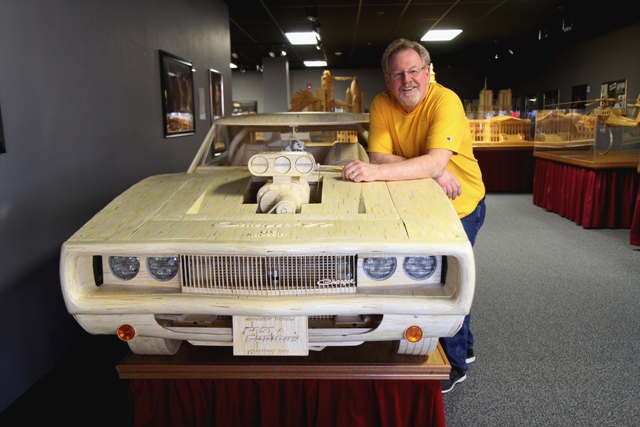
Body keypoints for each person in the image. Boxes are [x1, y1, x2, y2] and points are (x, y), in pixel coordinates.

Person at [342, 38, 486, 394]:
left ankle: (454, 364)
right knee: (427, 277)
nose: (406, 80)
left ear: (427, 71)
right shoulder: (381, 103)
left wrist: (429, 167)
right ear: (387, 79)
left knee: (450, 281)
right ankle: (466, 346)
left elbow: (407, 163)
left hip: (459, 205)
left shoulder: (445, 100)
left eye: (413, 71)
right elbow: (378, 156)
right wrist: (431, 171)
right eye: (397, 74)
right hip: (416, 205)